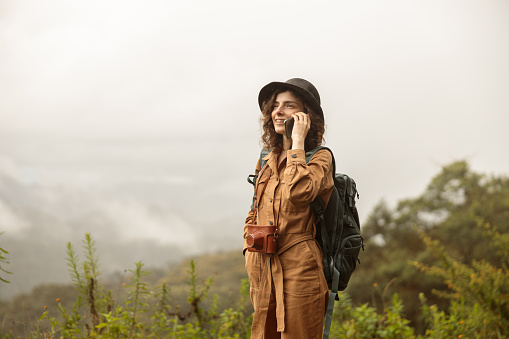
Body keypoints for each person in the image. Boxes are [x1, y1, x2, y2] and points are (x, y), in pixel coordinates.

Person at [243, 78, 335, 339]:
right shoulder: (266, 157)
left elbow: (299, 193)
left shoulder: (320, 157)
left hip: (300, 267)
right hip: (262, 264)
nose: (278, 111)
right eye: (275, 106)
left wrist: (296, 143)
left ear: (307, 116)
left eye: (289, 105)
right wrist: (248, 249)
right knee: (264, 335)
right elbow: (254, 208)